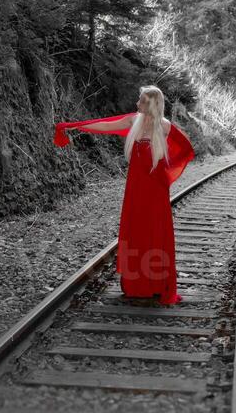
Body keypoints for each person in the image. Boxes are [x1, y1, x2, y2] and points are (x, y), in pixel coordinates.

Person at [53, 85, 195, 305]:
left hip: (156, 189)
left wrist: (169, 172)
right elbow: (105, 125)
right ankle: (136, 284)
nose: (137, 103)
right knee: (136, 229)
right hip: (136, 187)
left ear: (150, 104)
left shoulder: (165, 127)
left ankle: (157, 284)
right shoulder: (133, 121)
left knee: (155, 231)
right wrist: (76, 127)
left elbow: (186, 149)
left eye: (141, 101)